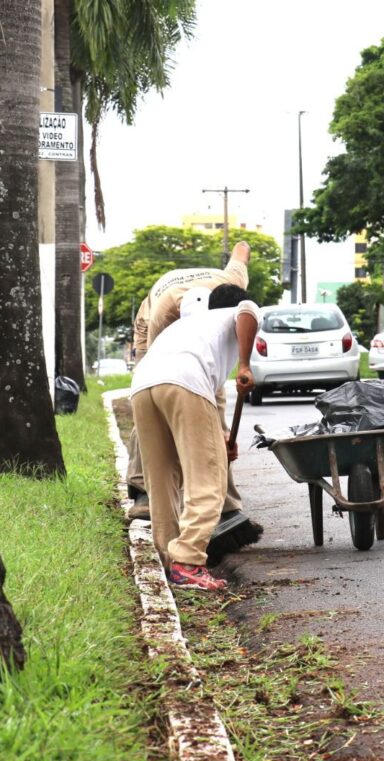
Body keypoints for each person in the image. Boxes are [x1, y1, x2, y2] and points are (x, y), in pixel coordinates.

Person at [130, 283, 260, 590]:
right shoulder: (235, 313)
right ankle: (188, 560)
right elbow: (248, 310)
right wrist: (245, 364)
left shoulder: (190, 327)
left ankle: (169, 558)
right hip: (184, 381)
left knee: (161, 479)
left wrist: (220, 439)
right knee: (209, 478)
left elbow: (206, 404)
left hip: (143, 386)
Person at [126, 241, 251, 520]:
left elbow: (242, 248)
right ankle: (142, 487)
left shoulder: (234, 282)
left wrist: (220, 432)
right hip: (152, 326)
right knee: (152, 399)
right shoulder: (168, 310)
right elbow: (165, 377)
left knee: (212, 407)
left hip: (196, 294)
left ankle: (225, 502)